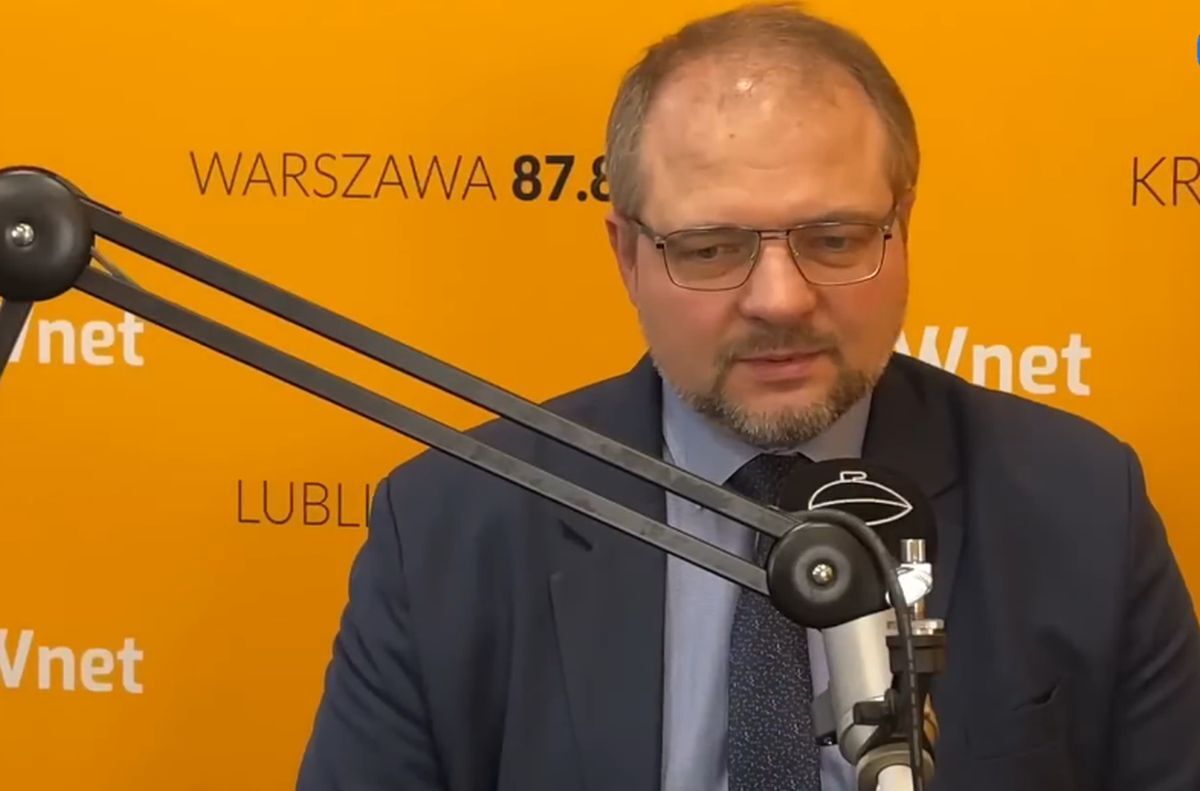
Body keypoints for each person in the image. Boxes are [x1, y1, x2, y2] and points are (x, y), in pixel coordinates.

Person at [295, 4, 1200, 790]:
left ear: (903, 229)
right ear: (627, 256)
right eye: (711, 249)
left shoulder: (1081, 507)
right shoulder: (454, 526)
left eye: (836, 239)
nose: (781, 299)